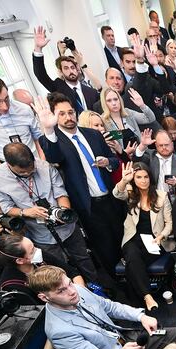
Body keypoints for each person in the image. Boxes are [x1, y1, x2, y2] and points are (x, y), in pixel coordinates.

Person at [34, 93, 124, 280]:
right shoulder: (52, 140)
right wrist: (48, 129)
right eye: (61, 114)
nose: (68, 117)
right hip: (89, 207)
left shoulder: (93, 134)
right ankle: (120, 285)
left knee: (125, 240)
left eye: (70, 112)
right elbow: (54, 157)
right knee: (106, 250)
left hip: (112, 199)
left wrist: (108, 161)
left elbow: (115, 161)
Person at [0, 142, 100, 284]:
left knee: (84, 259)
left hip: (67, 228)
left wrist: (63, 211)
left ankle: (96, 287)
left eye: (31, 170)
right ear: (9, 165)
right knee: (58, 269)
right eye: (22, 173)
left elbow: (61, 193)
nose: (28, 174)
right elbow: (7, 207)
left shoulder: (45, 167)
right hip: (40, 234)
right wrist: (26, 212)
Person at [112, 162, 173, 311]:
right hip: (133, 239)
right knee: (133, 253)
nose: (143, 180)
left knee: (132, 262)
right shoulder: (130, 194)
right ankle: (148, 296)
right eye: (139, 177)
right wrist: (124, 180)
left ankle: (138, 302)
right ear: (134, 179)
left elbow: (169, 223)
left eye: (146, 177)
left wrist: (162, 236)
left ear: (150, 178)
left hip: (154, 240)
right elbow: (117, 193)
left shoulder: (161, 196)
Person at [0, 234, 81, 300]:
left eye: (34, 246)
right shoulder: (12, 285)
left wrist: (80, 293)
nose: (37, 250)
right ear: (20, 260)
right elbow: (38, 312)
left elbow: (73, 273)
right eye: (32, 251)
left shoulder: (40, 257)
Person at [32, 26, 100, 114]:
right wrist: (38, 49)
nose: (71, 71)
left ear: (77, 69)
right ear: (61, 72)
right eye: (66, 68)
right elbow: (41, 75)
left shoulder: (91, 91)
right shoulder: (58, 88)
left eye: (72, 67)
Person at [133, 128, 176, 199]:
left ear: (172, 144)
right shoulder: (149, 156)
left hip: (173, 200)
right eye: (161, 145)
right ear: (156, 145)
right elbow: (136, 160)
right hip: (152, 198)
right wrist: (143, 145)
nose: (164, 147)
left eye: (166, 145)